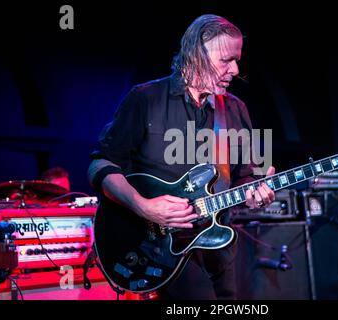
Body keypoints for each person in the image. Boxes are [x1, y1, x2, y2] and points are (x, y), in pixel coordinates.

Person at [87, 14, 275, 299]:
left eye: (237, 60)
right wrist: (142, 206)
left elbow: (245, 176)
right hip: (157, 249)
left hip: (219, 248)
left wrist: (257, 190)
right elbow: (100, 164)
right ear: (197, 53)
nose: (235, 69)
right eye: (226, 60)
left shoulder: (235, 110)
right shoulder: (145, 98)